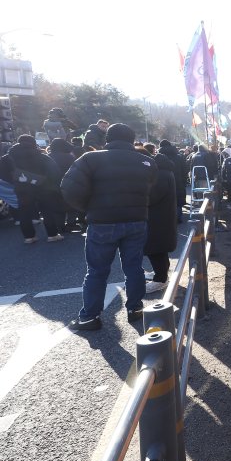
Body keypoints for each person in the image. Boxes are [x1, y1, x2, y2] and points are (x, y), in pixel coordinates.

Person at [61, 123, 157, 331]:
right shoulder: (147, 162)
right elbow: (150, 189)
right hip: (136, 220)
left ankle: (89, 317)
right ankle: (135, 308)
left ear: (107, 139)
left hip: (102, 222)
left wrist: (87, 209)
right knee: (134, 267)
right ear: (132, 140)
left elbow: (68, 187)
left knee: (96, 271)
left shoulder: (90, 159)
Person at [0, 134, 63, 243]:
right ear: (33, 143)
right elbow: (54, 171)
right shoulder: (40, 154)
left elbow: (2, 173)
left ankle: (29, 237)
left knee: (24, 212)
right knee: (46, 211)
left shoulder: (8, 157)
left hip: (21, 188)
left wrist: (14, 180)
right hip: (41, 187)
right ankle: (52, 235)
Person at [135, 146, 177, 293]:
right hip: (161, 216)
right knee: (159, 248)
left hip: (157, 217)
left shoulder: (159, 174)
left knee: (155, 248)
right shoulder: (162, 169)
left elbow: (151, 197)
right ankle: (160, 273)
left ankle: (161, 279)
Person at [47, 138, 77, 233]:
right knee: (71, 205)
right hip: (68, 184)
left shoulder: (48, 157)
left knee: (57, 207)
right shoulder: (69, 157)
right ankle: (71, 224)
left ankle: (60, 226)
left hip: (52, 186)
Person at [158, 140, 188, 222]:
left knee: (166, 200)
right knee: (178, 199)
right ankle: (178, 217)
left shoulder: (158, 157)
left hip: (163, 182)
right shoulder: (179, 157)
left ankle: (168, 218)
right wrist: (184, 180)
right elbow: (185, 170)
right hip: (179, 181)